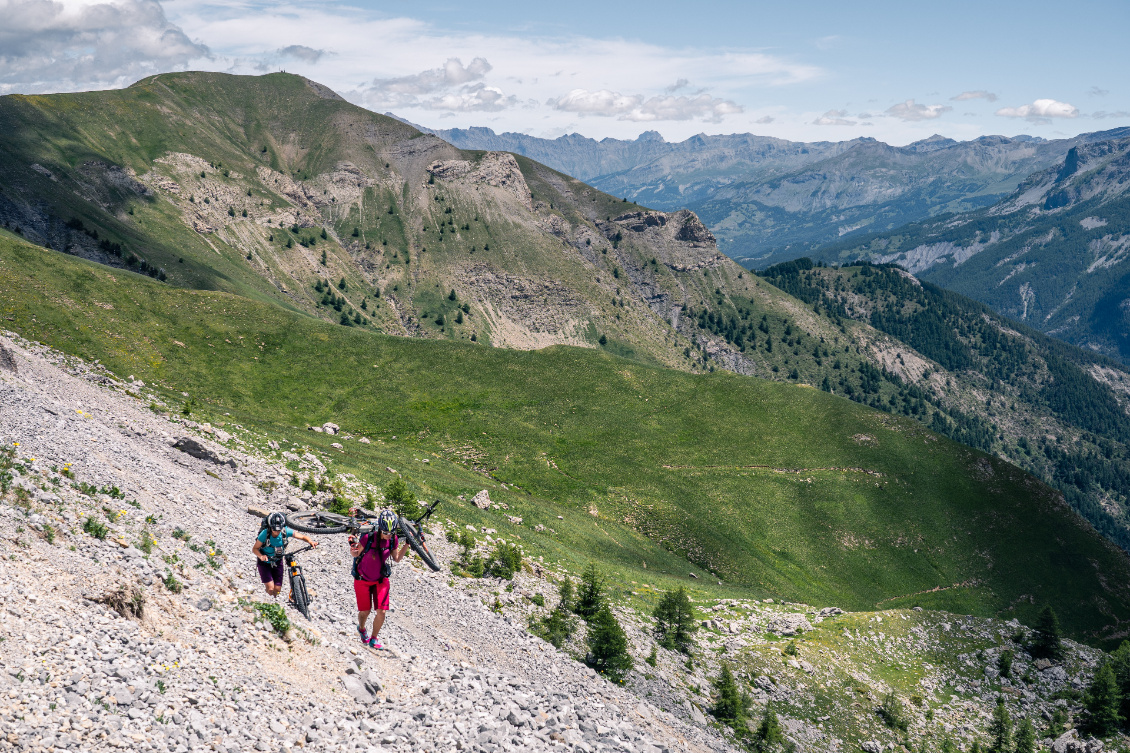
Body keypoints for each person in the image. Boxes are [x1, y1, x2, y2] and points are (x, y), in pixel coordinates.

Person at [350, 509, 409, 649]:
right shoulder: (368, 538)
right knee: (365, 611)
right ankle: (362, 629)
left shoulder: (393, 540)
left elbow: (396, 559)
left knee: (381, 612)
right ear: (380, 529)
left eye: (391, 532)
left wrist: (407, 544)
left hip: (381, 580)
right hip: (362, 579)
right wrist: (352, 548)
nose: (389, 536)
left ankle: (374, 638)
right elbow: (356, 553)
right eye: (386, 532)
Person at [253, 511, 318, 598]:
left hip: (278, 560)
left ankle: (275, 600)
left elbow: (302, 536)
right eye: (274, 529)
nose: (276, 532)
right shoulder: (264, 534)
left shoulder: (285, 531)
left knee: (277, 589)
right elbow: (255, 549)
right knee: (271, 589)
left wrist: (310, 541)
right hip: (264, 562)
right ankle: (268, 598)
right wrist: (261, 556)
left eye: (278, 530)